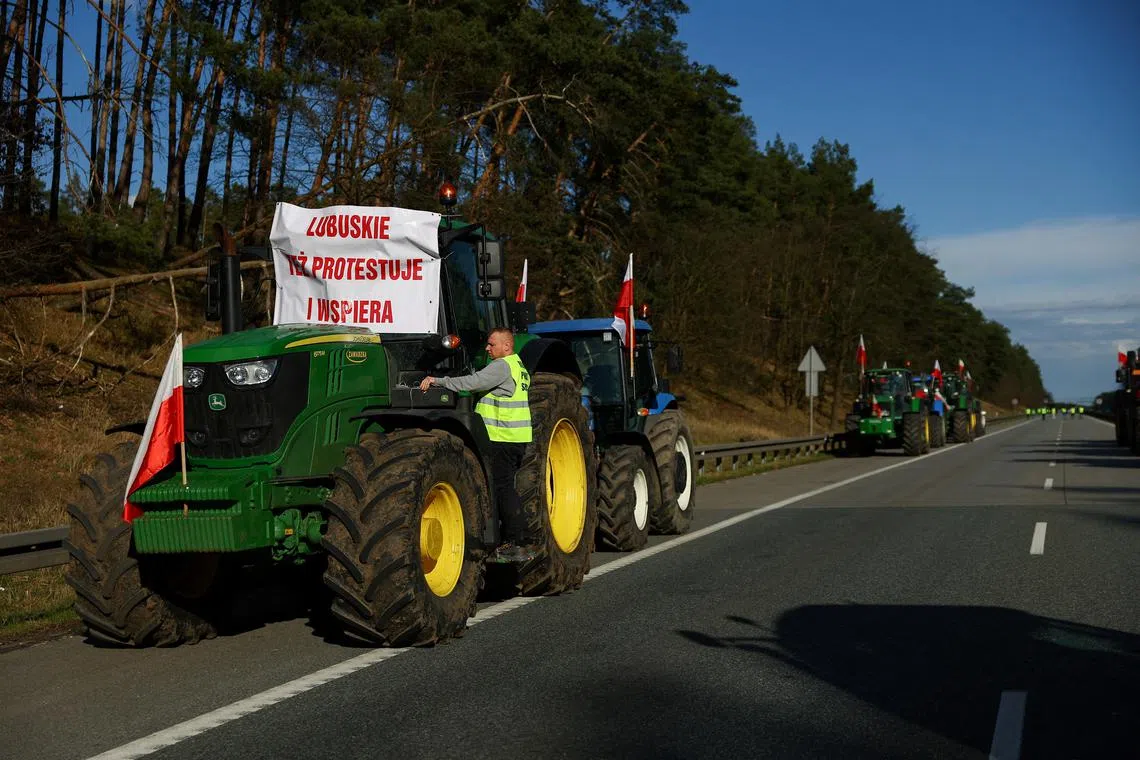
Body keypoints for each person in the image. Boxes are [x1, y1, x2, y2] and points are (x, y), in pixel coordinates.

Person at [420, 328, 535, 563]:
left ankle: (517, 541)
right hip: (515, 437)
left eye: (492, 344)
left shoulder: (502, 366)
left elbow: (474, 382)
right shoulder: (518, 366)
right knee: (506, 486)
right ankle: (516, 539)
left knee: (501, 487)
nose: (487, 348)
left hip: (503, 437)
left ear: (506, 346)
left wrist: (438, 380)